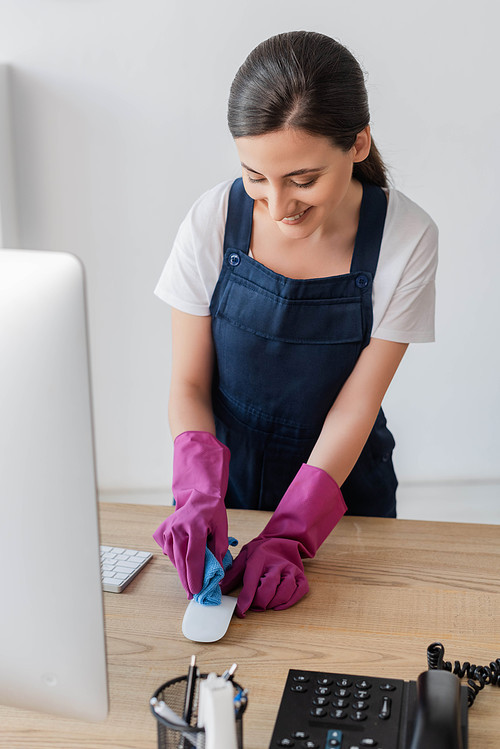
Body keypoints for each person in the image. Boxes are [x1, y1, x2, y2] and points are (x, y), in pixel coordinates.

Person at [153, 31, 438, 617]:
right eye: (256, 176)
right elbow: (188, 383)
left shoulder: (407, 239)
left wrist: (294, 531)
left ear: (358, 144)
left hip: (339, 497)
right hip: (225, 492)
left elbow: (355, 408)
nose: (278, 207)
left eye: (303, 180)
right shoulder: (211, 219)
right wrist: (198, 491)